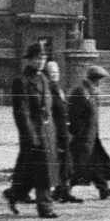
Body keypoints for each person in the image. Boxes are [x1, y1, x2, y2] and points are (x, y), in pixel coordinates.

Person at [3, 43, 58, 219]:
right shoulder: (22, 81)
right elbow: (22, 112)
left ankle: (13, 194)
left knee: (30, 170)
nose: (41, 62)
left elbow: (48, 107)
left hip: (47, 131)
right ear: (30, 60)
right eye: (37, 58)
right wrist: (30, 136)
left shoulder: (43, 79)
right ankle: (46, 207)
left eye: (43, 58)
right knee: (42, 171)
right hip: (33, 132)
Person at [66, 65, 110, 199]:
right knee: (79, 166)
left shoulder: (91, 93)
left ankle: (104, 189)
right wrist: (79, 134)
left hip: (91, 137)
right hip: (82, 138)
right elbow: (73, 116)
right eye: (100, 80)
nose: (101, 83)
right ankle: (63, 190)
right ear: (95, 80)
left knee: (95, 164)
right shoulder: (81, 92)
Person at [42, 60, 80, 204]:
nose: (55, 75)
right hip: (56, 132)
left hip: (65, 131)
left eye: (56, 72)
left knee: (66, 161)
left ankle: (63, 191)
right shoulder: (48, 91)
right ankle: (61, 191)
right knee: (60, 161)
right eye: (52, 73)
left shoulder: (59, 89)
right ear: (47, 74)